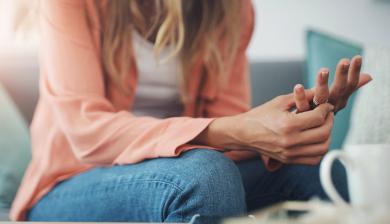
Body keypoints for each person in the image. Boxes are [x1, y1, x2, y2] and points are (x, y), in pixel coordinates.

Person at [11, 0, 372, 223]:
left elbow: (230, 129)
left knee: (325, 173)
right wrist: (232, 129)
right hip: (74, 180)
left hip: (181, 168)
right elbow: (85, 131)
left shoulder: (231, 9)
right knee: (206, 176)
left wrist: (289, 123)